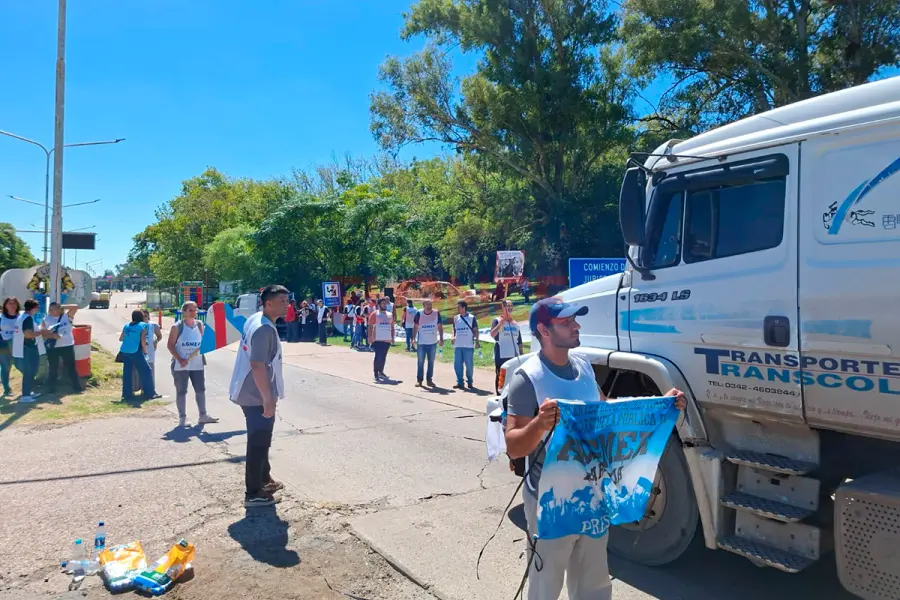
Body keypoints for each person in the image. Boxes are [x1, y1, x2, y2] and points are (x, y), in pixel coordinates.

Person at [505, 297, 686, 600]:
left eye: (575, 320)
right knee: (546, 584)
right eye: (566, 322)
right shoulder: (528, 378)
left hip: (592, 495)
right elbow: (513, 447)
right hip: (551, 504)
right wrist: (539, 424)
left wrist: (659, 404)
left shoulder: (584, 367)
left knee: (594, 583)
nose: (576, 326)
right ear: (544, 330)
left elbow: (607, 414)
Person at [229, 284, 290, 507]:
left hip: (251, 390)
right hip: (255, 393)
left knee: (262, 439)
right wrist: (267, 398)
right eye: (282, 301)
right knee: (258, 442)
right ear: (268, 303)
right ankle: (253, 492)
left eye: (287, 300)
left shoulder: (256, 318)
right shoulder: (264, 328)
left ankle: (264, 479)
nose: (287, 305)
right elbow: (257, 365)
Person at [169, 301, 218, 428]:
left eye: (195, 309)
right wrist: (179, 359)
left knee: (200, 389)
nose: (194, 312)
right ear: (184, 312)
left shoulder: (200, 325)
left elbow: (204, 342)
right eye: (190, 310)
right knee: (181, 391)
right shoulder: (177, 327)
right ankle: (182, 418)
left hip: (197, 364)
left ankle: (203, 415)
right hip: (181, 365)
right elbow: (170, 345)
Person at [118, 309, 160, 401]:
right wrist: (145, 351)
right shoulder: (143, 325)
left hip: (125, 351)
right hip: (136, 351)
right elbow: (143, 340)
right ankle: (150, 393)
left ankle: (126, 394)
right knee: (146, 371)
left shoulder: (127, 326)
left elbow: (121, 339)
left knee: (127, 373)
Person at [42, 302, 82, 394]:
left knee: (70, 366)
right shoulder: (46, 319)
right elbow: (43, 332)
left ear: (59, 309)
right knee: (53, 367)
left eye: (55, 309)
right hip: (53, 347)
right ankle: (51, 387)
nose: (52, 311)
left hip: (67, 345)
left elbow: (75, 307)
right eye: (50, 309)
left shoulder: (66, 317)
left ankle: (76, 385)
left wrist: (62, 306)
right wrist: (52, 335)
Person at [11, 298, 42, 402]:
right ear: (34, 308)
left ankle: (28, 391)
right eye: (37, 308)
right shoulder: (27, 319)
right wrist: (42, 332)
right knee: (30, 371)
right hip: (27, 348)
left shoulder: (21, 317)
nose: (38, 310)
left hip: (22, 348)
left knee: (30, 371)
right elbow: (28, 334)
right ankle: (25, 396)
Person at [491, 300, 524, 394]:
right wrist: (499, 325)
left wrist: (521, 355)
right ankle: (499, 394)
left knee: (513, 376)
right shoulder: (497, 320)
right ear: (502, 307)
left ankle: (510, 395)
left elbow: (519, 342)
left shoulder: (515, 324)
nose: (509, 307)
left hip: (513, 355)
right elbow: (492, 334)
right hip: (501, 354)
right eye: (507, 305)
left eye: (511, 305)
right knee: (501, 375)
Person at [412, 299, 443, 387]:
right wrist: (413, 338)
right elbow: (415, 327)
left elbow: (440, 326)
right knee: (420, 362)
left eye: (430, 304)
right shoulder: (419, 313)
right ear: (423, 306)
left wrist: (441, 338)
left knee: (431, 362)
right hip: (421, 343)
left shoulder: (436, 313)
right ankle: (419, 380)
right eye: (427, 305)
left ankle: (429, 380)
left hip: (433, 343)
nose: (429, 306)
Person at [451, 300, 479, 390]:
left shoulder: (471, 318)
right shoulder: (456, 318)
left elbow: (475, 330)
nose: (457, 309)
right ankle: (460, 382)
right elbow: (454, 329)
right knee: (457, 365)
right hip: (458, 345)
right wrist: (452, 336)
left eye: (459, 307)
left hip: (468, 346)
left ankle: (470, 382)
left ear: (464, 308)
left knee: (469, 365)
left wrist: (477, 341)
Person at [368, 296, 394, 381]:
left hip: (387, 339)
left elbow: (392, 327)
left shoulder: (390, 315)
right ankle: (376, 372)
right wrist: (370, 337)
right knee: (378, 356)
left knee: (383, 356)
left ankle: (381, 371)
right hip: (377, 339)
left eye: (385, 303)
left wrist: (392, 337)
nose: (384, 305)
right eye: (383, 303)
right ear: (379, 305)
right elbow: (370, 326)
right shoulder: (375, 314)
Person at [0, 297, 21, 397]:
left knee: (21, 365)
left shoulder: (21, 317)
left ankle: (29, 386)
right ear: (5, 305)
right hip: (3, 346)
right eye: (9, 303)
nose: (12, 305)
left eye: (14, 303)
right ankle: (7, 389)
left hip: (19, 345)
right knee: (6, 367)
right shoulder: (1, 318)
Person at [142, 309, 163, 387]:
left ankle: (151, 389)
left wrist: (156, 341)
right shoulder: (138, 325)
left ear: (148, 316)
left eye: (146, 316)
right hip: (140, 351)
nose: (144, 318)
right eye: (142, 316)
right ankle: (142, 389)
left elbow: (159, 336)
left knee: (150, 370)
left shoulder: (153, 325)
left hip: (150, 350)